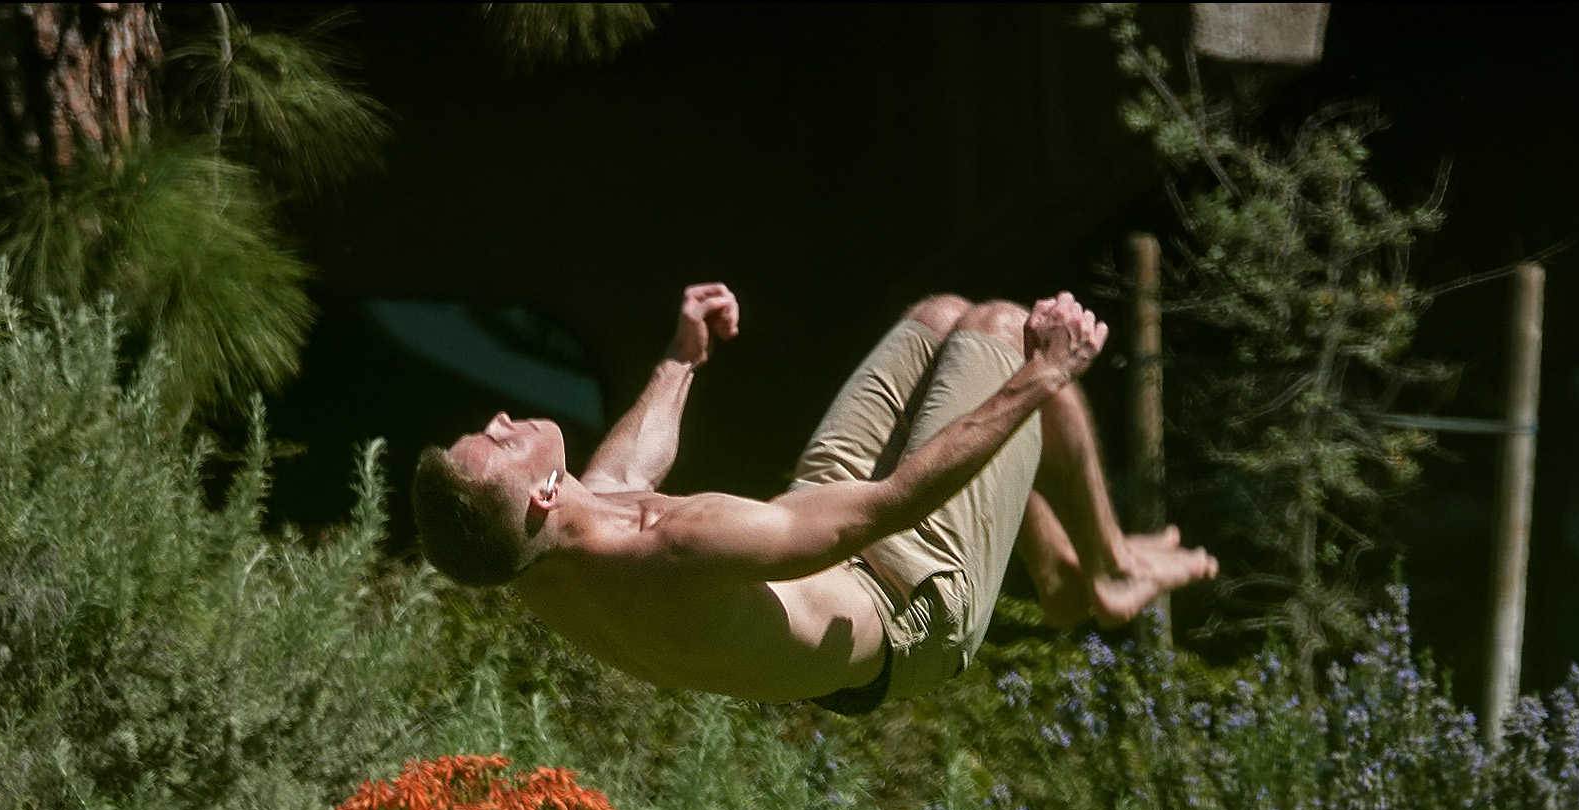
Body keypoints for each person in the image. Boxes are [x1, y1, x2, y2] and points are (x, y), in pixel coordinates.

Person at [413, 283, 1216, 714]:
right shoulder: (681, 546)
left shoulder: (531, 554)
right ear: (543, 491)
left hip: (813, 545)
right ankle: (1108, 569)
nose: (501, 420)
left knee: (939, 316)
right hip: (911, 600)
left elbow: (623, 480)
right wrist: (1047, 372)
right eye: (500, 441)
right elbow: (891, 504)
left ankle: (1068, 578)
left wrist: (681, 359)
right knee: (1008, 337)